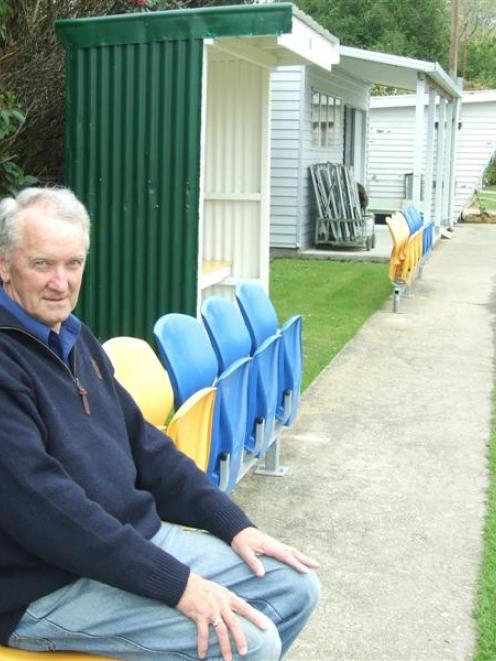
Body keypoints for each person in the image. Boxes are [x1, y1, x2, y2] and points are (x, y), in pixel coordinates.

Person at [0, 187, 320, 661]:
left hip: (129, 542)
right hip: (46, 584)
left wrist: (233, 526)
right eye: (42, 264)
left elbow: (145, 445)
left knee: (295, 586)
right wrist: (177, 586)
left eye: (74, 264)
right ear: (5, 265)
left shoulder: (70, 335)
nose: (61, 282)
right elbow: (50, 512)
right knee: (249, 642)